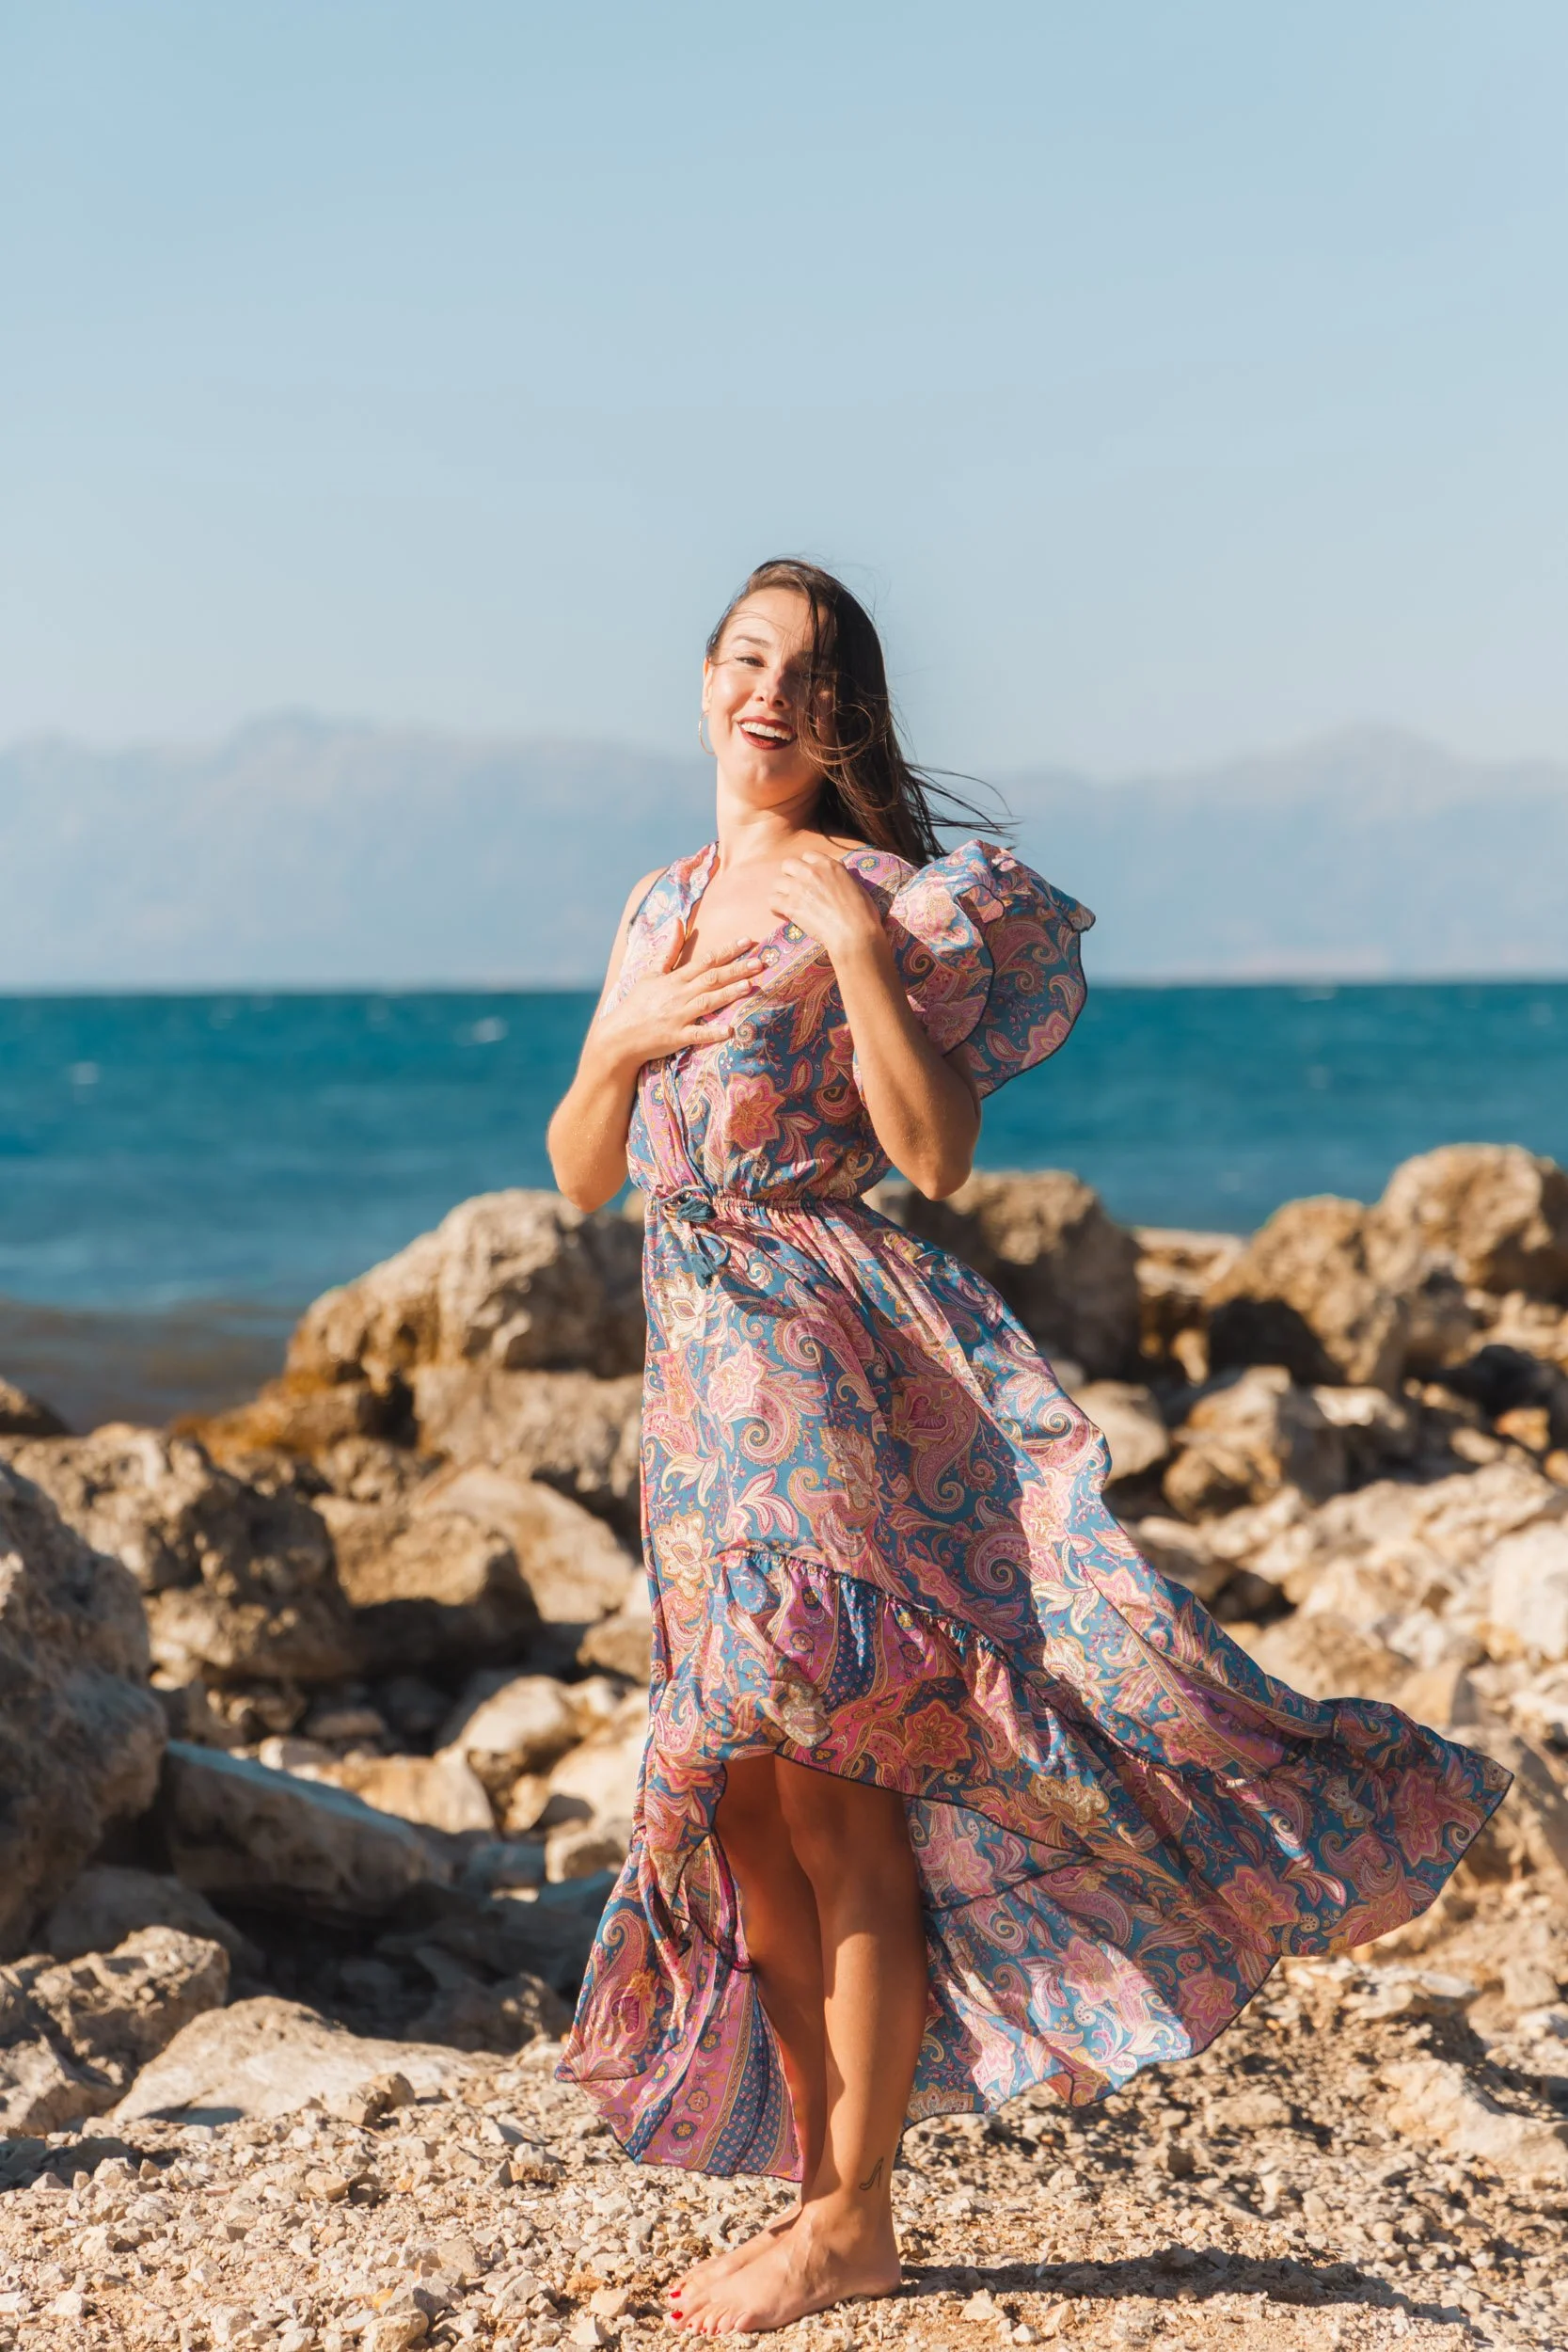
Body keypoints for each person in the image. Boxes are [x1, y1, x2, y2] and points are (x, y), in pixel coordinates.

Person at [546, 558, 1508, 2338]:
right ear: (700, 684)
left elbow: (932, 1155)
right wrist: (615, 1042)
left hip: (819, 1371)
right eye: (747, 660)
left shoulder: (884, 898)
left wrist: (854, 955)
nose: (770, 696)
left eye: (809, 677)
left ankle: (852, 2219)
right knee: (734, 1795)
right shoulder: (657, 901)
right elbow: (583, 1173)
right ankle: (820, 2193)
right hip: (687, 1388)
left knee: (832, 1781)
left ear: (845, 719)